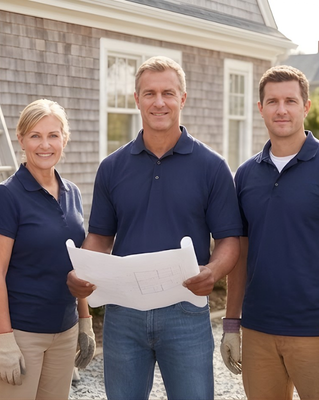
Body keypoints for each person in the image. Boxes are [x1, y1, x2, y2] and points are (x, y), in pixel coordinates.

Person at [67, 56, 242, 400]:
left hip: (186, 311)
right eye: (149, 93)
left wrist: (213, 271)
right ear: (136, 99)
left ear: (183, 98)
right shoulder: (112, 168)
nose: (158, 102)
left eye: (167, 93)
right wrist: (81, 271)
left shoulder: (212, 166)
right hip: (123, 314)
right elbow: (101, 236)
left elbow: (229, 241)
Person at [221, 65, 319, 400]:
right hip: (258, 330)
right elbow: (240, 254)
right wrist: (232, 322)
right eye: (273, 101)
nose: (281, 109)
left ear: (305, 107)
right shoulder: (246, 175)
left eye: (290, 101)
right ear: (260, 108)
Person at [0, 99, 95, 400]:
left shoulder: (71, 192)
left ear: (64, 139)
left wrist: (84, 320)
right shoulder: (6, 196)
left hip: (65, 329)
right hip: (22, 333)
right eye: (35, 135)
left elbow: (77, 263)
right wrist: (4, 339)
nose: (45, 145)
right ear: (21, 139)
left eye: (53, 136)